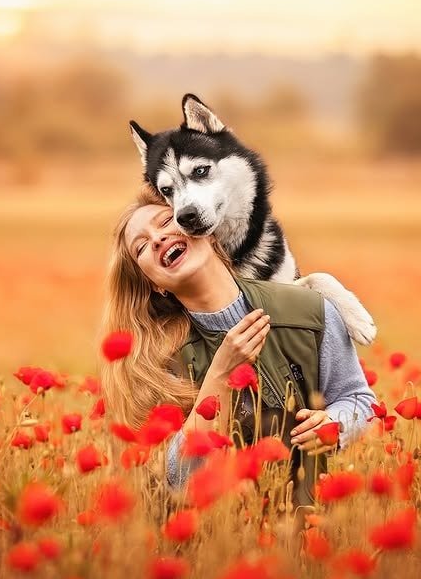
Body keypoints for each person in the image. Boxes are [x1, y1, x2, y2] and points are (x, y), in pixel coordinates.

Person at [100, 190, 377, 507]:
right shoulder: (155, 363)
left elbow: (359, 400)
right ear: (154, 283)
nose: (159, 239)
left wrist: (335, 424)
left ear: (204, 229)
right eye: (142, 247)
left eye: (166, 222)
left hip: (309, 529)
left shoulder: (308, 311)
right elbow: (173, 481)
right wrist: (221, 374)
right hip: (219, 540)